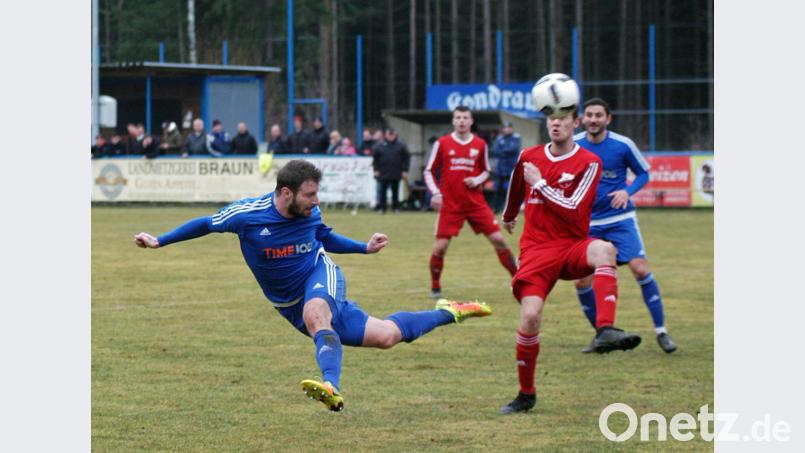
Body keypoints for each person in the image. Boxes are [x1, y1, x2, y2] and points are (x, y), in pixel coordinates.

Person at [133, 160, 492, 412]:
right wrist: (160, 240)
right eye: (310, 194)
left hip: (321, 276)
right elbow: (205, 223)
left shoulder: (311, 213)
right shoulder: (248, 215)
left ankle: (331, 387)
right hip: (286, 303)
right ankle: (450, 312)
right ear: (286, 193)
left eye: (317, 194)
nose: (317, 201)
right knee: (386, 336)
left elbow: (325, 238)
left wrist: (363, 248)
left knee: (316, 312)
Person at [499, 105, 642, 415]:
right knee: (529, 317)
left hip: (573, 245)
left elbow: (575, 209)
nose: (556, 124)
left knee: (605, 249)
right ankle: (526, 394)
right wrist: (510, 214)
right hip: (536, 251)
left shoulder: (590, 162)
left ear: (574, 123)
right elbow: (515, 185)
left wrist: (539, 184)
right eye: (551, 119)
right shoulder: (529, 156)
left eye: (563, 119)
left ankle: (605, 330)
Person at [573, 97, 677, 354]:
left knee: (640, 269)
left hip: (620, 221)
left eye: (599, 115)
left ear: (608, 119)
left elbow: (643, 173)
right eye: (589, 115)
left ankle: (662, 331)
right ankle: (601, 335)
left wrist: (628, 192)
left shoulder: (622, 145)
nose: (594, 119)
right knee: (581, 281)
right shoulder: (573, 146)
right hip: (588, 223)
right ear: (582, 119)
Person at [423, 106, 519, 299]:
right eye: (458, 117)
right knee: (440, 247)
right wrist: (435, 193)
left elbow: (486, 170)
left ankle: (518, 280)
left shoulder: (480, 144)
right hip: (451, 204)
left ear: (471, 121)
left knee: (499, 240)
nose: (461, 121)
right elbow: (429, 171)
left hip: (475, 203)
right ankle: (435, 286)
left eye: (465, 117)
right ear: (453, 121)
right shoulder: (442, 143)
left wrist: (476, 180)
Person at [373, 128, 411, 214]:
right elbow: (375, 159)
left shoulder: (401, 145)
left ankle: (396, 208)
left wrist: (405, 170)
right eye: (389, 135)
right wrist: (376, 170)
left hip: (396, 172)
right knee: (382, 192)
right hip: (383, 172)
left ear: (395, 135)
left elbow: (406, 158)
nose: (390, 137)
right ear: (386, 135)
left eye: (392, 135)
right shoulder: (380, 145)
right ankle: (382, 208)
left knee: (395, 191)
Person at [491, 121, 521, 213]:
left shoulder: (516, 137)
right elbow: (495, 151)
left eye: (508, 127)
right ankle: (496, 209)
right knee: (498, 190)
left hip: (511, 168)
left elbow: (513, 149)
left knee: (511, 190)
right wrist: (505, 151)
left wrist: (502, 151)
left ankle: (511, 209)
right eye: (505, 128)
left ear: (511, 128)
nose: (506, 129)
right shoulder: (500, 138)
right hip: (501, 169)